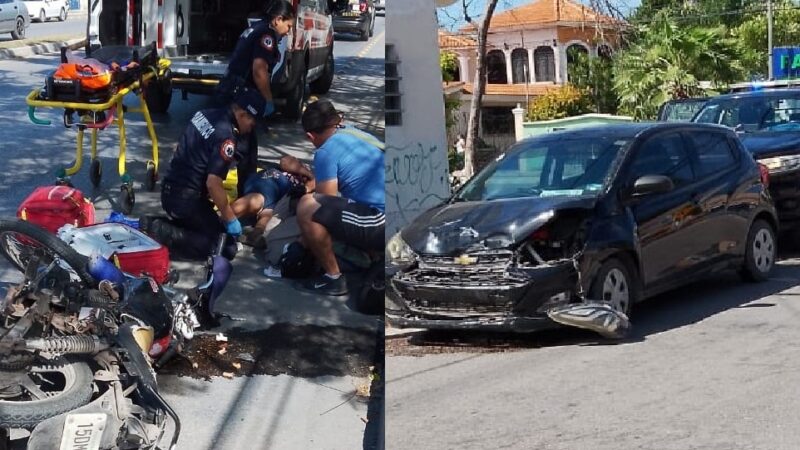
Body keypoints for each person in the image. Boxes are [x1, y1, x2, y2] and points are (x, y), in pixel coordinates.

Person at [158, 87, 266, 261]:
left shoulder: (204, 114)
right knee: (225, 248)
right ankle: (161, 232)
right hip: (187, 201)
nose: (250, 130)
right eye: (252, 124)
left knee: (209, 229)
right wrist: (230, 218)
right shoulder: (227, 137)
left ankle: (166, 228)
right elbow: (213, 183)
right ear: (243, 114)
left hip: (170, 192)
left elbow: (179, 149)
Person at [295, 100, 385, 296]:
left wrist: (302, 242)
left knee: (307, 206)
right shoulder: (353, 132)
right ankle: (372, 254)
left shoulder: (326, 151)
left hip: (379, 221)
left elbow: (324, 203)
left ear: (310, 136)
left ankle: (333, 277)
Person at [216, 1, 295, 117]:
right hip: (239, 94)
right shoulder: (267, 35)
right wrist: (268, 99)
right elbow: (259, 70)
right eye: (289, 26)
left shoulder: (257, 26)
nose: (288, 32)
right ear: (278, 20)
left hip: (229, 87)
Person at [231, 155, 315, 244]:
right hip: (268, 183)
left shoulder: (305, 185)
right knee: (256, 200)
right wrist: (309, 175)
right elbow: (285, 161)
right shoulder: (292, 168)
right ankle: (225, 217)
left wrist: (308, 186)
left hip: (276, 200)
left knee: (267, 216)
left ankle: (255, 235)